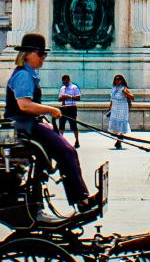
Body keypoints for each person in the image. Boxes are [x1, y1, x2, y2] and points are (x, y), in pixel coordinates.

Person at [6, 33, 93, 216]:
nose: (44, 58)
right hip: (25, 125)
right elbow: (24, 105)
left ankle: (79, 196)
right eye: (41, 54)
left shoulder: (28, 74)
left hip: (28, 123)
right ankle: (81, 199)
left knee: (64, 150)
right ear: (28, 54)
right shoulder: (23, 75)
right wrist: (50, 110)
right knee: (67, 151)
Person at [107, 75, 133, 149]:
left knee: (121, 125)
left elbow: (132, 97)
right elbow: (112, 99)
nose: (117, 81)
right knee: (115, 126)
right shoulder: (114, 88)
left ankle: (119, 141)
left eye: (119, 80)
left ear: (122, 80)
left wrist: (126, 93)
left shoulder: (124, 88)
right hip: (115, 108)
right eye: (116, 80)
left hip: (122, 108)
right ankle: (119, 140)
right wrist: (110, 108)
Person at [57, 75, 82, 143]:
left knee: (73, 125)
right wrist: (61, 98)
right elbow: (58, 99)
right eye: (63, 82)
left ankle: (77, 140)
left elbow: (78, 98)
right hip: (63, 108)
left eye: (65, 81)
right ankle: (60, 141)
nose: (64, 83)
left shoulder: (74, 87)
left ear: (68, 79)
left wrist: (69, 97)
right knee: (61, 125)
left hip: (71, 108)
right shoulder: (62, 88)